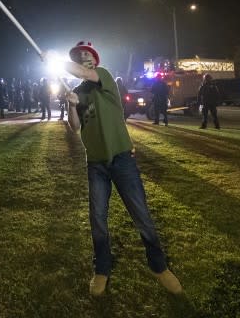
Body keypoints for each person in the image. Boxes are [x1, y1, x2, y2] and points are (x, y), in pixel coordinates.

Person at [62, 41, 182, 297]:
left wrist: (49, 59)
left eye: (87, 55)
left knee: (142, 216)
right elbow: (74, 127)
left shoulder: (104, 76)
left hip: (122, 159)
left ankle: (159, 267)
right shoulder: (77, 90)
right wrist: (72, 104)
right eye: (79, 55)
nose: (84, 58)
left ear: (94, 60)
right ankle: (102, 268)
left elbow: (83, 73)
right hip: (95, 163)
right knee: (98, 219)